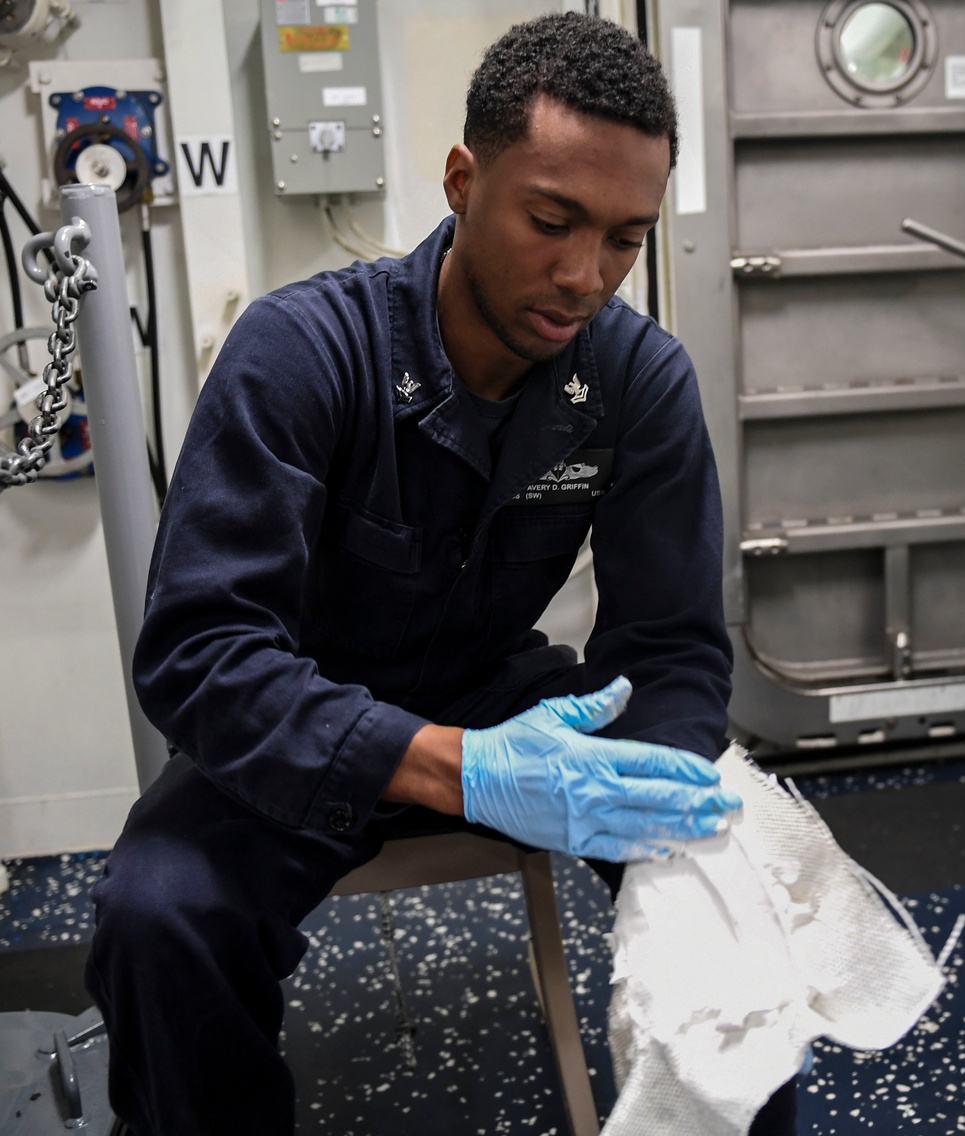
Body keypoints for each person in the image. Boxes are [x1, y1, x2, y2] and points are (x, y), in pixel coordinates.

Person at [84, 12, 796, 1136]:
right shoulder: (301, 351)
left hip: (496, 690)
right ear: (464, 179)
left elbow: (665, 649)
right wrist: (450, 766)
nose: (584, 276)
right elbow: (200, 655)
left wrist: (660, 797)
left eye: (623, 238)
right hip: (297, 710)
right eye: (551, 220)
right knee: (156, 915)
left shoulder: (635, 378)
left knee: (733, 884)